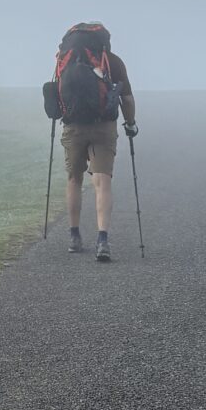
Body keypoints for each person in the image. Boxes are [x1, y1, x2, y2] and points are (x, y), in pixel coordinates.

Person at [46, 22, 136, 262]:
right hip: (103, 126)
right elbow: (127, 98)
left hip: (73, 126)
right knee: (102, 181)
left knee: (74, 179)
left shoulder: (64, 59)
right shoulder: (113, 62)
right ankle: (102, 240)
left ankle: (74, 237)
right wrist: (130, 124)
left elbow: (57, 91)